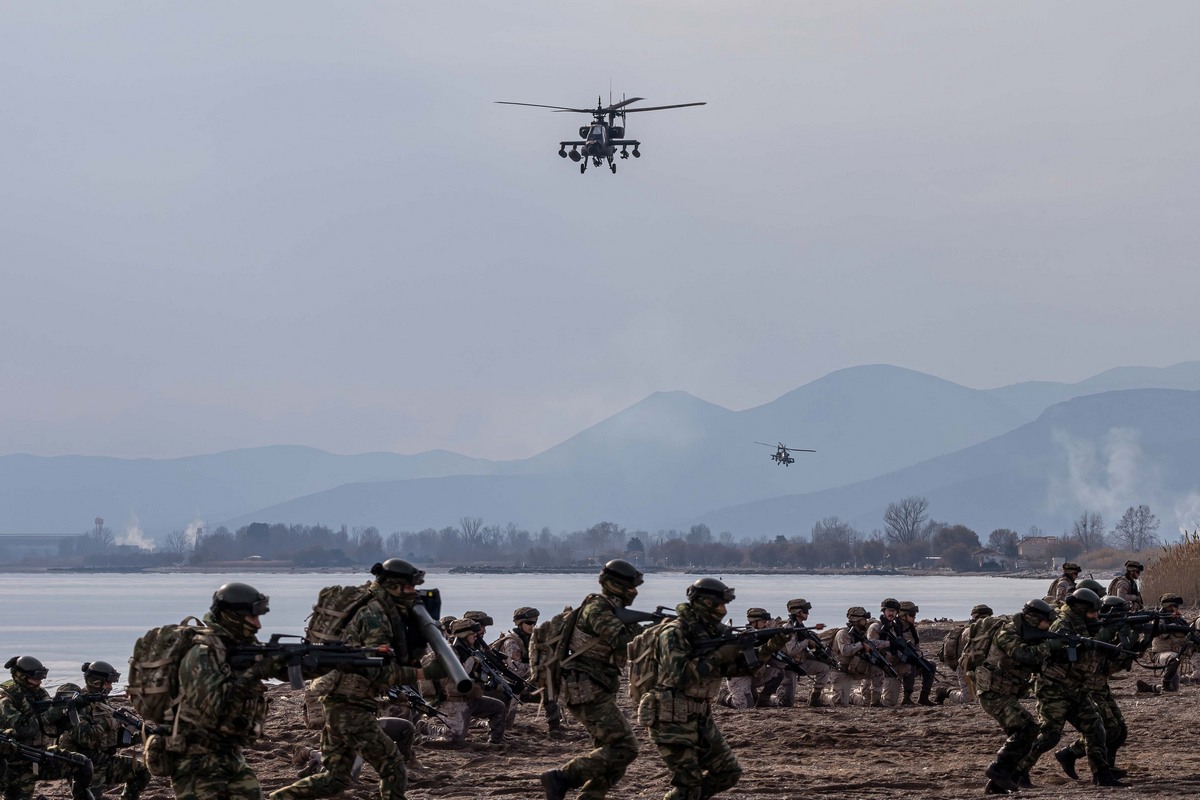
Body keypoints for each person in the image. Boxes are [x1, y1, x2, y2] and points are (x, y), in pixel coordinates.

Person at [270, 560, 449, 800]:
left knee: (335, 779)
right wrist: (425, 672)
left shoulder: (371, 606)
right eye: (409, 587)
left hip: (340, 701)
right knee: (393, 767)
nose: (412, 592)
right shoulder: (375, 615)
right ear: (394, 586)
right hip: (349, 704)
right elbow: (377, 670)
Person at [642, 578, 784, 800]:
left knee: (728, 772)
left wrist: (770, 646)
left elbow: (738, 668)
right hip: (670, 714)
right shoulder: (675, 633)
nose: (723, 610)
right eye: (719, 604)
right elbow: (681, 676)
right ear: (704, 603)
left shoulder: (713, 633)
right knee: (689, 784)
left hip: (700, 713)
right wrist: (721, 653)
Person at [165, 582, 283, 800]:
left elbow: (284, 669)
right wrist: (254, 674)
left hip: (229, 753)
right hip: (195, 759)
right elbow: (213, 709)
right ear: (232, 616)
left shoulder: (233, 647)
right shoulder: (202, 652)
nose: (258, 625)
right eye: (252, 617)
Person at [540, 559, 644, 800]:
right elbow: (622, 642)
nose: (634, 592)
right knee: (625, 748)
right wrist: (654, 631)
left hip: (594, 686)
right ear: (616, 585)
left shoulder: (609, 609)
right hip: (585, 687)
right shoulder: (598, 609)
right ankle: (562, 777)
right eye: (630, 587)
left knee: (609, 757)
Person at [1014, 588, 1122, 788]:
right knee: (1049, 735)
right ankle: (1018, 771)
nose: (1096, 616)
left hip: (1076, 687)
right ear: (1081, 610)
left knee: (1096, 728)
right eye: (1092, 613)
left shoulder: (1086, 625)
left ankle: (1102, 775)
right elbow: (1050, 654)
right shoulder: (1062, 625)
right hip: (1053, 688)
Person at [1055, 594, 1146, 781]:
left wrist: (1134, 641)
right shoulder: (1084, 629)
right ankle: (1073, 756)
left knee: (1120, 730)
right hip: (1087, 686)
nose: (1095, 615)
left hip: (1100, 685)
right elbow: (1088, 655)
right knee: (1106, 729)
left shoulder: (1102, 630)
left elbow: (1112, 664)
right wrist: (1110, 632)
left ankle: (1106, 767)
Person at [971, 599, 1055, 794]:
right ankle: (997, 770)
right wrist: (1051, 646)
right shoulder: (1007, 633)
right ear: (1034, 620)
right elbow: (1023, 655)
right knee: (1026, 728)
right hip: (992, 693)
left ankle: (997, 785)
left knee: (1024, 733)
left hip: (1004, 692)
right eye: (1045, 622)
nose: (1047, 626)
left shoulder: (1028, 634)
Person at [1, 655, 94, 800]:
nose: (40, 681)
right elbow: (24, 729)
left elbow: (55, 728)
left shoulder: (39, 693)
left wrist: (70, 710)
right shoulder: (6, 698)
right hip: (16, 763)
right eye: (36, 677)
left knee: (82, 764)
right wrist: (50, 715)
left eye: (42, 677)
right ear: (22, 676)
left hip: (40, 755)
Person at [55, 660, 151, 800]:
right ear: (96, 682)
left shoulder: (101, 703)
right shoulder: (78, 706)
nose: (110, 687)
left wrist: (142, 736)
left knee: (141, 771)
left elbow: (114, 739)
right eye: (107, 683)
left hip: (104, 760)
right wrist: (109, 722)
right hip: (84, 765)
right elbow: (86, 739)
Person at [423, 618, 507, 746]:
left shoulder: (468, 650)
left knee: (498, 707)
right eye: (472, 634)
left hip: (469, 699)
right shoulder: (449, 653)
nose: (475, 636)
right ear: (464, 635)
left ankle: (495, 741)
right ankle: (422, 727)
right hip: (453, 702)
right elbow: (458, 674)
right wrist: (473, 661)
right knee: (455, 739)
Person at [494, 607, 562, 731]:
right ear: (519, 624)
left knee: (550, 690)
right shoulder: (512, 642)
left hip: (526, 682)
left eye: (535, 623)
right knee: (505, 725)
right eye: (529, 623)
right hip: (509, 685)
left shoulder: (533, 639)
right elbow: (516, 670)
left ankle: (555, 727)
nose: (532, 626)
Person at [718, 608, 784, 709]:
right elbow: (756, 653)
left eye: (767, 622)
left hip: (753, 674)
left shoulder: (762, 637)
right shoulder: (744, 638)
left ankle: (764, 699)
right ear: (754, 623)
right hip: (739, 676)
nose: (766, 624)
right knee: (744, 705)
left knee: (778, 672)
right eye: (764, 622)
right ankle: (724, 696)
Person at [779, 598, 834, 708]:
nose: (807, 613)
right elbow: (792, 651)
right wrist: (807, 642)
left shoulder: (801, 627)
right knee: (787, 703)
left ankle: (815, 697)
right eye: (805, 611)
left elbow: (807, 649)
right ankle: (771, 698)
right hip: (789, 666)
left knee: (824, 667)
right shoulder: (789, 628)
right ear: (797, 612)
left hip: (800, 662)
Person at [935, 604, 992, 705]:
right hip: (966, 667)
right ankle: (946, 692)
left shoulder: (988, 630)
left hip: (984, 666)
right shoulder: (969, 632)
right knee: (969, 699)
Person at [831, 607, 883, 706]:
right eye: (864, 619)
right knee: (840, 703)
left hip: (856, 667)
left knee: (878, 669)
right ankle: (825, 696)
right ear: (858, 620)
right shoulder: (843, 633)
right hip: (842, 670)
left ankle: (875, 701)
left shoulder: (861, 633)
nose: (866, 621)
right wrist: (861, 645)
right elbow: (845, 651)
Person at [1148, 593, 1194, 692]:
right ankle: (1165, 682)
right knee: (1174, 658)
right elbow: (1161, 633)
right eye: (1175, 606)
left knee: (1174, 689)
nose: (1178, 609)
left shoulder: (1179, 620)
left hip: (1177, 654)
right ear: (1168, 607)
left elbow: (1189, 633)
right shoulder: (1158, 620)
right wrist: (1172, 624)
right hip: (1162, 653)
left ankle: (1151, 688)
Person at [866, 599, 906, 706]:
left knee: (890, 702)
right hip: (876, 664)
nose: (891, 613)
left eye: (894, 611)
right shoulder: (876, 626)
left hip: (890, 665)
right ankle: (854, 696)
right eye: (889, 610)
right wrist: (889, 644)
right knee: (865, 701)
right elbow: (871, 643)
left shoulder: (896, 627)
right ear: (884, 611)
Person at [898, 600, 934, 706]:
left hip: (910, 658)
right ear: (902, 615)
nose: (914, 617)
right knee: (911, 665)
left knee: (930, 666)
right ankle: (906, 698)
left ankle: (924, 697)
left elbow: (917, 646)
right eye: (911, 615)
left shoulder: (912, 629)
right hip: (897, 661)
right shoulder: (895, 628)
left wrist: (918, 656)